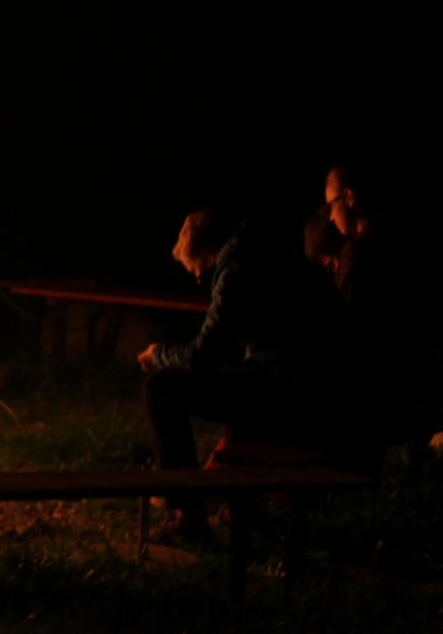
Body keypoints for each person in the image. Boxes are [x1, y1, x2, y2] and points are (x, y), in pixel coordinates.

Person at [138, 205, 345, 536]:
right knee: (236, 378)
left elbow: (203, 356)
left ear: (208, 252)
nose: (201, 281)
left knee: (160, 388)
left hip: (290, 388)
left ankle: (188, 513)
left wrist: (158, 354)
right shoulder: (265, 249)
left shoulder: (234, 269)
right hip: (311, 379)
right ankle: (243, 507)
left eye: (200, 273)